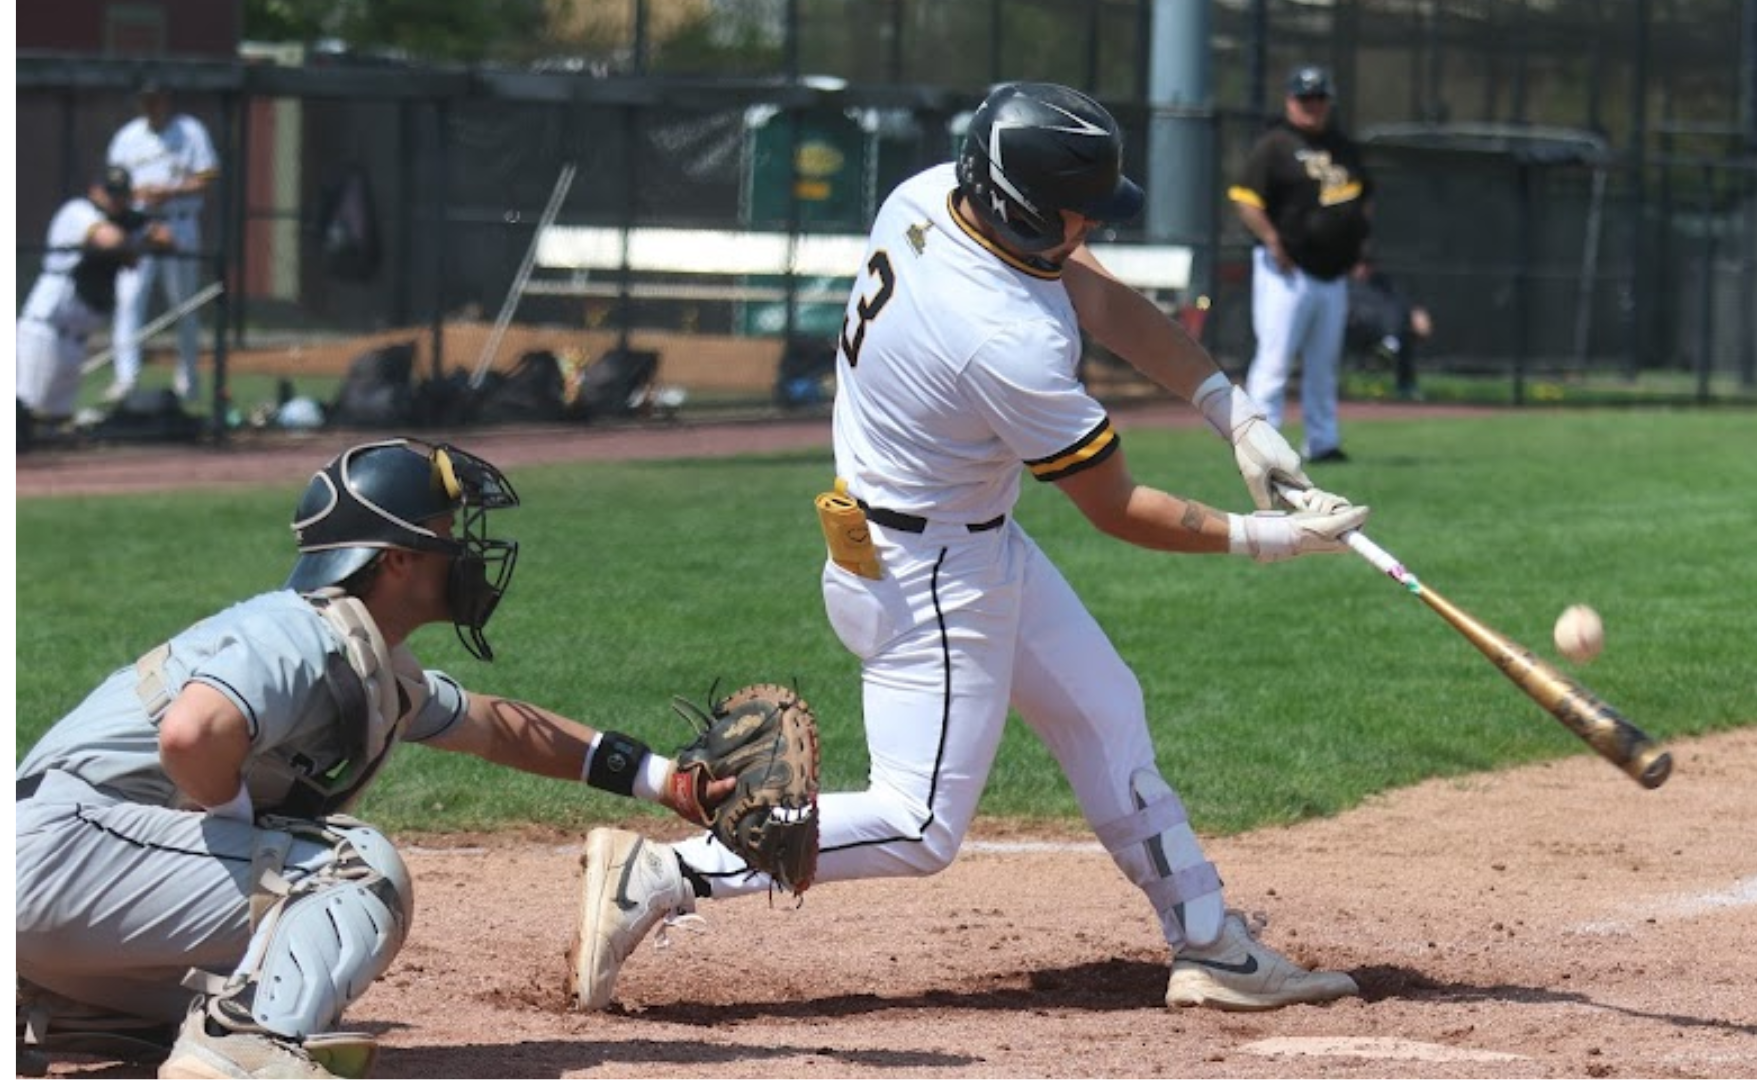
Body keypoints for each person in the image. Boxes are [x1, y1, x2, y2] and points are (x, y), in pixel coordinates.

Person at [570, 82, 1371, 1014]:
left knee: (1106, 706)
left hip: (942, 538)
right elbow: (1113, 506)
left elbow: (1094, 293)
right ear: (1024, 208)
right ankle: (665, 875)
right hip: (934, 574)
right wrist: (1275, 538)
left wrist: (1229, 409)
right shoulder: (1002, 340)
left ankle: (1208, 943)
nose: (1089, 227)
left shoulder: (929, 196)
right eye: (1077, 211)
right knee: (918, 825)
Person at [16, 438, 735, 1080]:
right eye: (448, 536)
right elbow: (192, 732)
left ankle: (55, 1012)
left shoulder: (364, 659)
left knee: (249, 959)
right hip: (59, 853)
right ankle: (244, 1048)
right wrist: (237, 832)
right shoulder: (295, 633)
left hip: (61, 888)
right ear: (396, 559)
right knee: (351, 868)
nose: (467, 554)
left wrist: (662, 779)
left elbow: (497, 725)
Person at [1228, 64, 1373, 463]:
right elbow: (1245, 200)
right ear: (1291, 100)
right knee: (1274, 361)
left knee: (1323, 366)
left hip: (1333, 273)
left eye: (1319, 98)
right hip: (1286, 270)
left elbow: (1364, 201)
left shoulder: (1343, 147)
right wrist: (1273, 240)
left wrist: (1360, 248)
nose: (1312, 105)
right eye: (1304, 98)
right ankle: (1261, 445)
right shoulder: (1275, 144)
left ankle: (1323, 442)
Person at [16, 166, 173, 424]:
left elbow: (167, 239)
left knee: (56, 420)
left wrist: (140, 232)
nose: (115, 200)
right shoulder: (77, 211)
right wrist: (133, 245)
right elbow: (108, 239)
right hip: (45, 331)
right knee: (22, 411)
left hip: (76, 341)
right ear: (95, 190)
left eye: (121, 194)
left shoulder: (126, 221)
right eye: (109, 193)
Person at [106, 75, 220, 404]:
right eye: (145, 99)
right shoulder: (128, 136)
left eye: (156, 98)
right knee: (129, 300)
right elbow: (115, 184)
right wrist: (134, 197)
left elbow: (207, 177)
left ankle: (187, 377)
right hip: (140, 226)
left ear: (167, 99)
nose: (151, 105)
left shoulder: (190, 131)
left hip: (179, 223)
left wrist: (168, 191)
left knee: (184, 304)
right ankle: (126, 377)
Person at [1345, 258, 1432, 402]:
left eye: (1365, 265)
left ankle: (1406, 387)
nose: (1361, 269)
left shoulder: (1384, 284)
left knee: (1403, 330)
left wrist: (1416, 313)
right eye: (1357, 265)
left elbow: (1402, 304)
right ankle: (1389, 344)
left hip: (1385, 331)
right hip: (1354, 332)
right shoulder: (1342, 286)